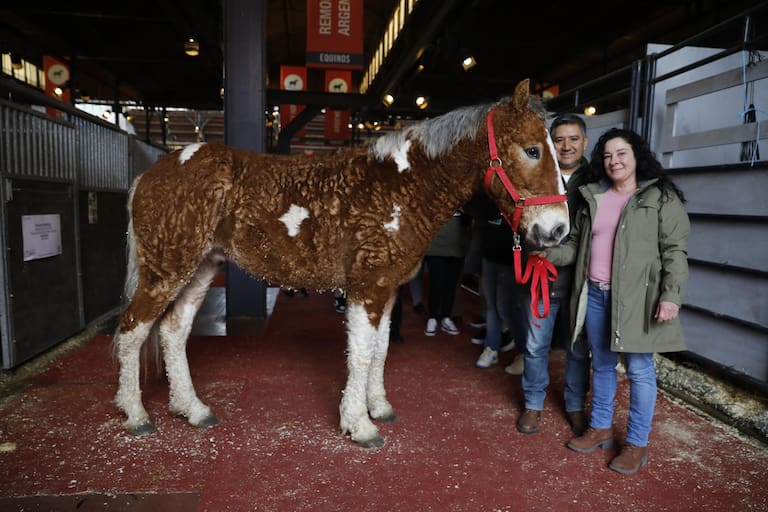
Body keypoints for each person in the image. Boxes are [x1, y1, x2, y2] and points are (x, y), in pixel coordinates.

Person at [543, 128, 690, 475]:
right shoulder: (594, 195)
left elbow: (675, 252)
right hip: (595, 294)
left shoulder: (660, 197)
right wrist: (546, 254)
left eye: (621, 153)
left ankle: (637, 445)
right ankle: (601, 427)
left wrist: (671, 297)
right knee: (602, 364)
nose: (614, 161)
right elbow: (576, 244)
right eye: (608, 155)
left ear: (637, 155)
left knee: (639, 371)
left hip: (637, 300)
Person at [517, 114, 592, 436]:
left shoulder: (596, 179)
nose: (566, 146)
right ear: (550, 143)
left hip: (580, 282)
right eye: (559, 139)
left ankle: (574, 405)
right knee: (535, 347)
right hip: (540, 280)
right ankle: (533, 404)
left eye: (573, 139)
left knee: (578, 350)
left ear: (584, 142)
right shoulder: (535, 176)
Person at [470, 194, 525, 369]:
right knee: (491, 305)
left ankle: (523, 352)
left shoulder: (521, 199)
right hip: (489, 257)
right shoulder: (490, 198)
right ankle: (491, 347)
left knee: (507, 309)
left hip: (510, 261)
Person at [423, 211, 472, 336]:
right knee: (436, 283)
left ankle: (446, 317)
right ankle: (432, 317)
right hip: (436, 244)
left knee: (451, 285)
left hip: (458, 244)